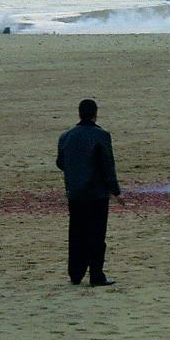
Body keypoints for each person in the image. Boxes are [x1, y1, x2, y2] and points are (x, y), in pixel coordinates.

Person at [56, 99, 124, 287]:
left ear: (79, 114)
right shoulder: (101, 135)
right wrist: (116, 191)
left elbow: (60, 163)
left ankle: (76, 274)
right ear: (95, 114)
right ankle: (96, 275)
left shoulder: (66, 136)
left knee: (77, 233)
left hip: (75, 193)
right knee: (96, 234)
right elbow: (107, 165)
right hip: (96, 194)